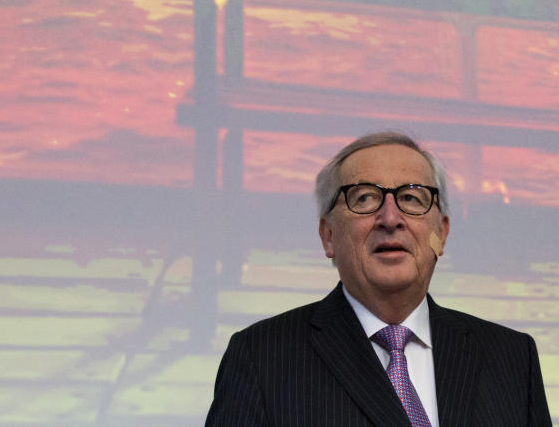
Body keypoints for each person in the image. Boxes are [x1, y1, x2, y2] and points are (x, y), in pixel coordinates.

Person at [205, 131, 552, 426]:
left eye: (412, 198)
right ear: (328, 236)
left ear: (441, 234)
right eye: (365, 198)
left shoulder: (511, 358)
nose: (390, 218)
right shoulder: (261, 357)